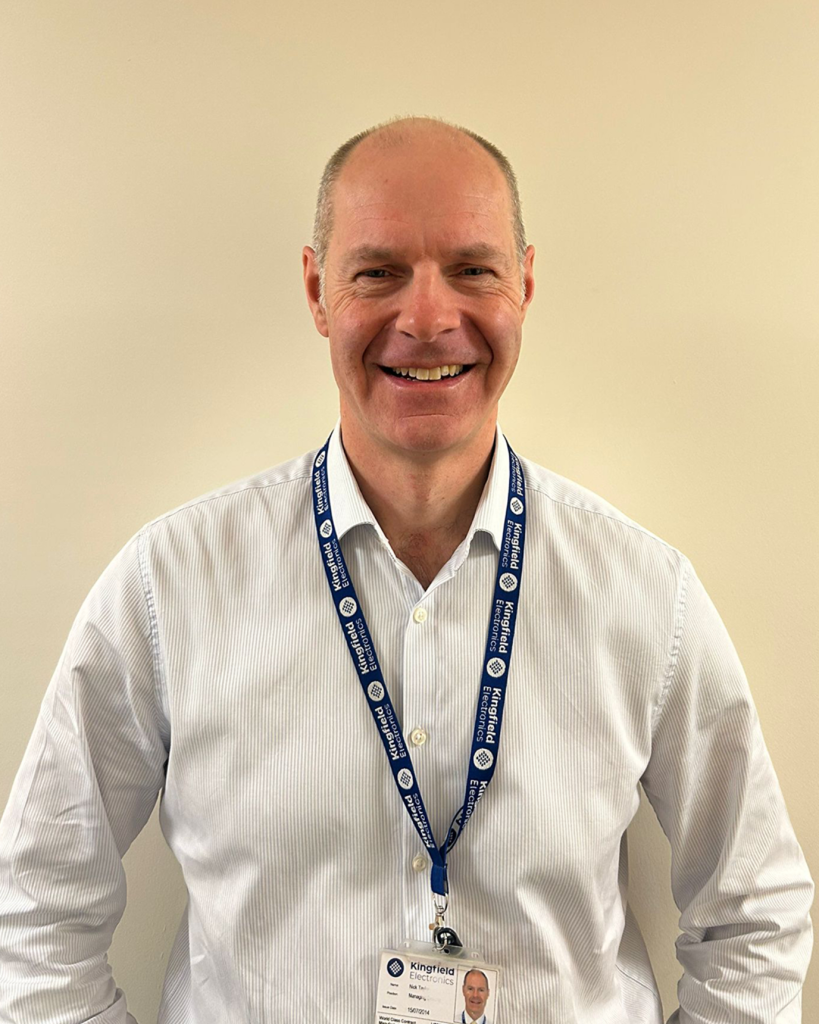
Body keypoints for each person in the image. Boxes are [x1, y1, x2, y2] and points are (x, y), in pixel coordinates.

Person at [0, 115, 813, 1023]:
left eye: (472, 270)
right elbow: (33, 911)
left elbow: (756, 914)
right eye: (378, 272)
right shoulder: (169, 587)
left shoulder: (644, 596)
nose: (426, 319)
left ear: (524, 285)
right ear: (316, 290)